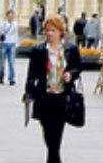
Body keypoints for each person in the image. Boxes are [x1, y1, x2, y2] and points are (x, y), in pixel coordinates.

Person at [24, 15, 81, 163]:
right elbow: (31, 73)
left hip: (62, 98)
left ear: (60, 32)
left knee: (56, 136)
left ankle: (53, 159)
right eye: (47, 30)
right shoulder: (39, 50)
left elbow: (78, 68)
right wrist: (29, 93)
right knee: (48, 135)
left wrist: (71, 74)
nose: (49, 33)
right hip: (44, 97)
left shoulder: (70, 49)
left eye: (53, 30)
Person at [0, 10, 19, 86]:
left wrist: (17, 45)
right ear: (7, 16)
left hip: (12, 44)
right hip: (4, 44)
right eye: (10, 15)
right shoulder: (2, 24)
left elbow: (16, 35)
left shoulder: (15, 24)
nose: (12, 17)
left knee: (11, 62)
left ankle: (11, 78)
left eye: (13, 16)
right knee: (2, 62)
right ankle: (1, 76)